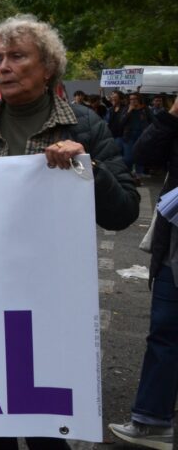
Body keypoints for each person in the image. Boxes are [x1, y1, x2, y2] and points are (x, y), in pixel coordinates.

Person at [0, 14, 140, 450]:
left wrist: (90, 168)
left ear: (48, 66)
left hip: (51, 298)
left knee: (46, 422)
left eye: (17, 56)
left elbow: (124, 212)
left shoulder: (84, 125)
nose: (4, 67)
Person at [109, 95, 178, 450]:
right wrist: (172, 116)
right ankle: (152, 420)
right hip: (174, 246)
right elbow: (144, 154)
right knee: (165, 331)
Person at [123, 92, 152, 180]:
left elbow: (153, 121)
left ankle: (139, 174)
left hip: (142, 135)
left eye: (135, 99)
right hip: (129, 135)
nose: (133, 101)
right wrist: (129, 111)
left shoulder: (145, 109)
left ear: (139, 99)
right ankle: (128, 172)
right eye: (131, 99)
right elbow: (121, 122)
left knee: (140, 155)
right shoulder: (126, 109)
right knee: (128, 158)